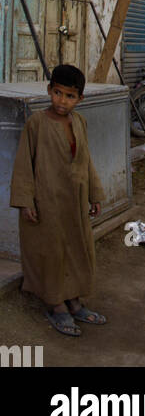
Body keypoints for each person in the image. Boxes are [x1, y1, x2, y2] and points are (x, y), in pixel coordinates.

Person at [9, 64, 106, 337]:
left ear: (80, 99)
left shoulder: (80, 122)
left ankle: (73, 301)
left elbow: (86, 161)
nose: (62, 101)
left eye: (70, 96)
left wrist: (94, 194)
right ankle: (55, 304)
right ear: (49, 91)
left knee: (76, 247)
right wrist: (25, 201)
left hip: (73, 201)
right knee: (50, 251)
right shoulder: (36, 124)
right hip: (46, 200)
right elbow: (23, 166)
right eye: (58, 93)